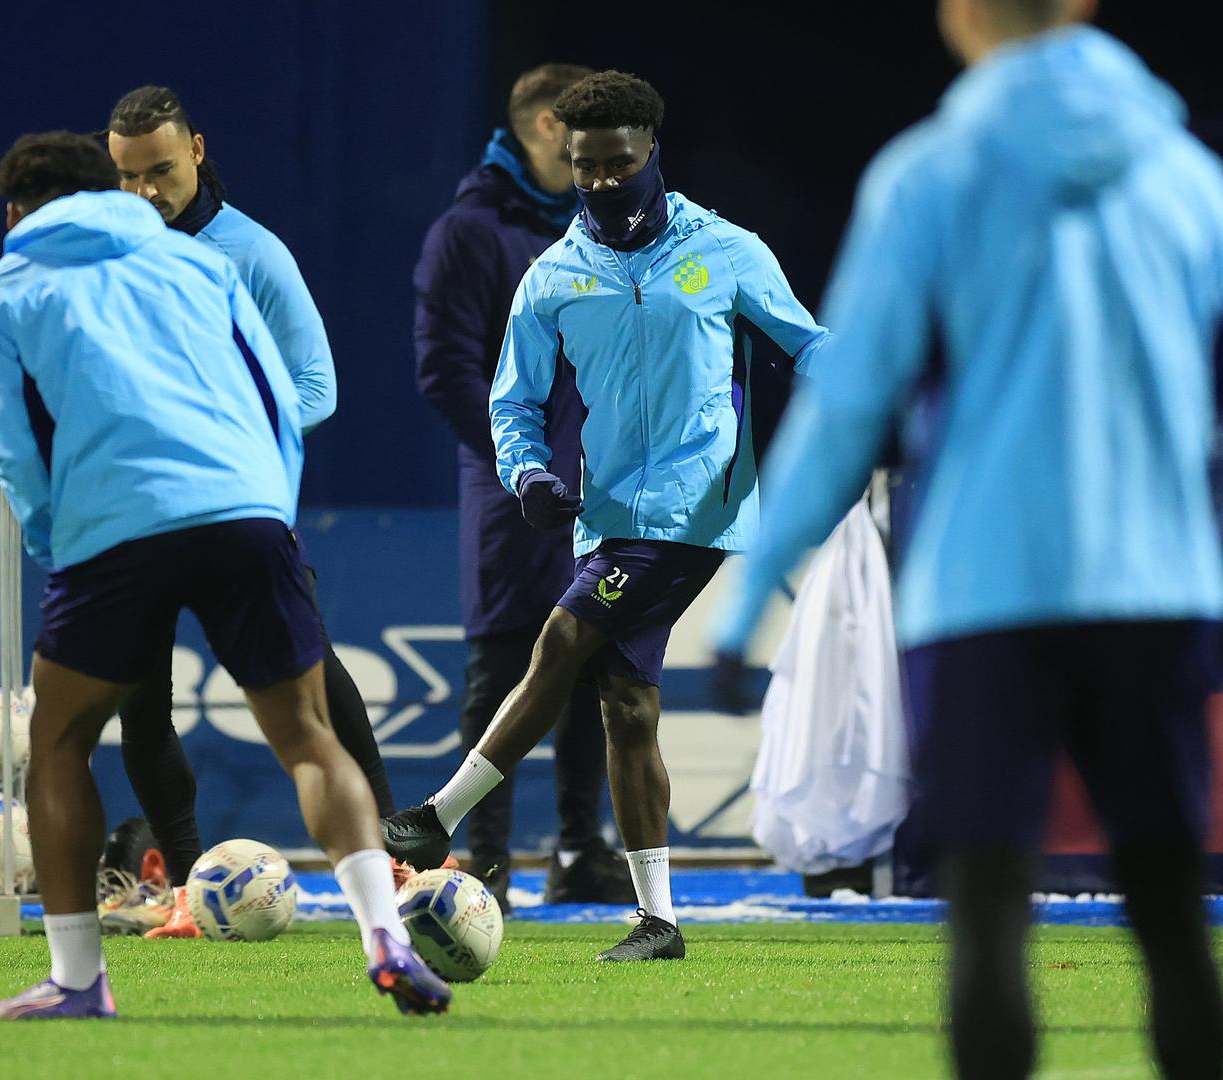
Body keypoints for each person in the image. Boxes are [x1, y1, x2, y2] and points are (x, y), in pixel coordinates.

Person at [711, 2, 1223, 1075]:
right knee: (1174, 919)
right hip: (1159, 583)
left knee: (986, 916)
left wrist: (752, 593)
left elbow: (850, 401)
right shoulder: (1188, 179)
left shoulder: (928, 176)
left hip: (984, 588)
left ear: (957, 15)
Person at [0, 85, 396, 937]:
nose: (146, 192)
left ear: (199, 151)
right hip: (224, 505)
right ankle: (195, 886)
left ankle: (391, 856)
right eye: (128, 177)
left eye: (162, 172)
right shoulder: (124, 262)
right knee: (167, 713)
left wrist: (243, 469)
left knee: (289, 693)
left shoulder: (245, 253)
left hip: (161, 512)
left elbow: (311, 385)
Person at [0, 131, 448, 1019]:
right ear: (108, 192)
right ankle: (387, 935)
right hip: (245, 512)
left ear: (14, 213)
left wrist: (51, 539)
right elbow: (276, 393)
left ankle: (77, 982)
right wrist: (270, 504)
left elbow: (6, 446)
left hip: (113, 525)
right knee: (309, 738)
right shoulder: (197, 264)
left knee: (61, 743)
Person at [383, 70, 830, 961]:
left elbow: (808, 344)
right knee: (625, 706)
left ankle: (438, 816)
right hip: (609, 513)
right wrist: (527, 474)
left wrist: (882, 384)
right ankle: (659, 921)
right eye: (584, 166)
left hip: (697, 506)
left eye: (617, 164)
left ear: (651, 150)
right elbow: (512, 402)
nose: (599, 181)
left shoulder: (727, 250)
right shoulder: (554, 275)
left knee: (560, 638)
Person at [413, 61, 633, 911]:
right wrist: (523, 463)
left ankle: (580, 850)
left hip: (603, 488)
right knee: (506, 666)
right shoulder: (468, 233)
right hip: (514, 500)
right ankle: (487, 859)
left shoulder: (603, 230)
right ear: (549, 127)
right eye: (584, 139)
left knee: (594, 663)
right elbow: (445, 371)